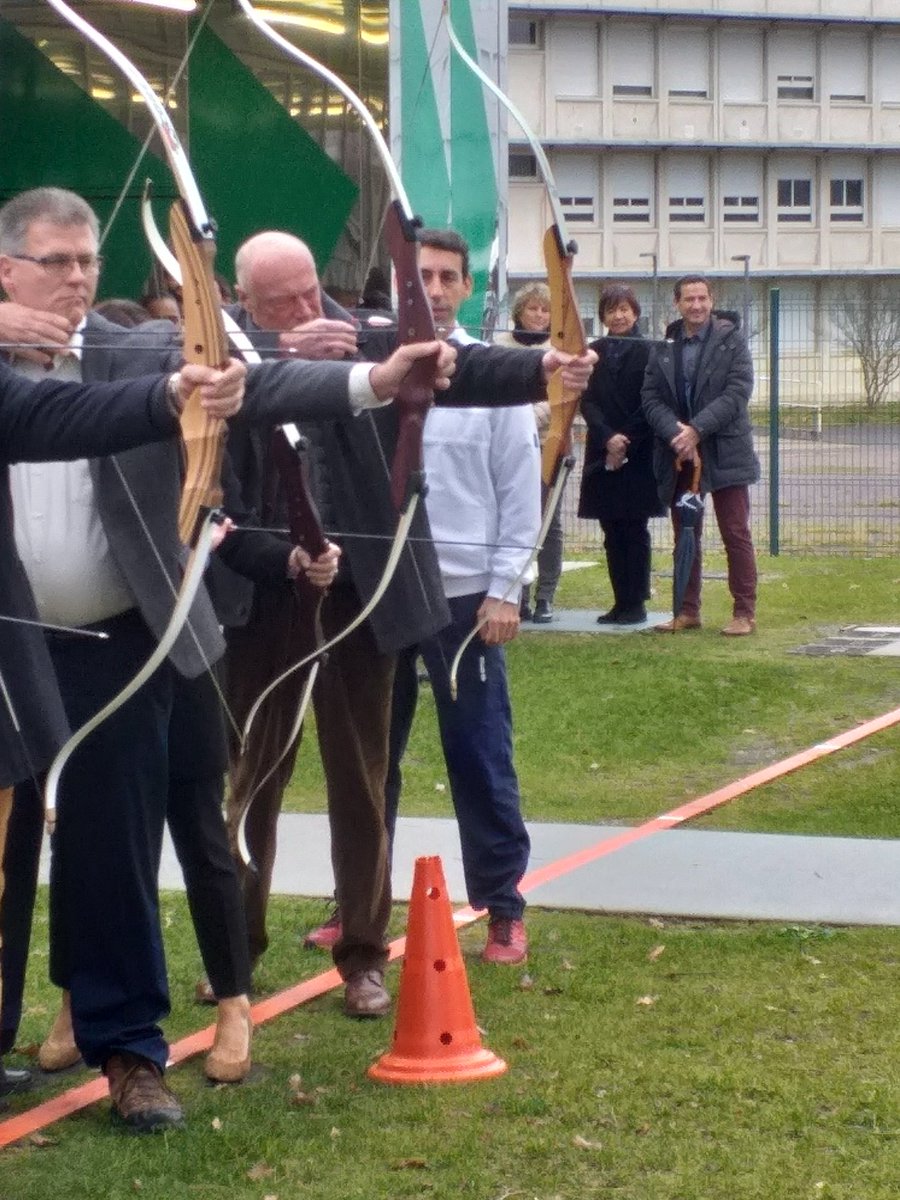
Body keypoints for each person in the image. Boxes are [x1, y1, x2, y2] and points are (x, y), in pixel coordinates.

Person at [0, 187, 452, 1131]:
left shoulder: (130, 349)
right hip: (17, 638)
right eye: (57, 262)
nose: (79, 279)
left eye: (89, 261)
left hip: (120, 636)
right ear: (6, 269)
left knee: (116, 844)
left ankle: (129, 1051)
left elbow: (247, 380)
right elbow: (41, 412)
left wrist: (373, 380)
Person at [229, 231, 597, 1004]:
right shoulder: (231, 353)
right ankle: (235, 949)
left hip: (366, 589)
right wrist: (280, 358)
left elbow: (452, 368)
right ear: (244, 304)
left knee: (362, 775)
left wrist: (542, 366)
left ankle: (363, 953)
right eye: (280, 302)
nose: (303, 309)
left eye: (309, 291)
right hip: (268, 598)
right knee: (254, 774)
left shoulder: (367, 336)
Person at [383, 228, 542, 966]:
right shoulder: (369, 369)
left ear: (467, 285)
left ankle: (502, 905)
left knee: (478, 751)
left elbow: (519, 493)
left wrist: (507, 588)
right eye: (423, 277)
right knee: (366, 755)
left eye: (449, 277)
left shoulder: (494, 379)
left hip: (467, 596)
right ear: (399, 284)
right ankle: (356, 901)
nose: (436, 290)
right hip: (381, 592)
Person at [642, 274, 759, 636]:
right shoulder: (664, 346)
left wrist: (697, 430)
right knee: (685, 533)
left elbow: (737, 392)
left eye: (702, 298)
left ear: (711, 300)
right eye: (689, 299)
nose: (696, 305)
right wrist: (677, 433)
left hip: (726, 452)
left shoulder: (732, 341)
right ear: (677, 304)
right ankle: (686, 609)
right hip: (682, 456)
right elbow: (651, 397)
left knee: (735, 533)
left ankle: (744, 612)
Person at [578, 285, 664, 624]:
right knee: (611, 529)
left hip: (638, 452)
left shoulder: (651, 351)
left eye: (625, 308)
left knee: (634, 528)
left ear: (636, 312)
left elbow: (652, 399)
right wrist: (606, 437)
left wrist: (624, 440)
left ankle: (637, 601)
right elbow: (587, 400)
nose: (619, 315)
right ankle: (619, 601)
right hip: (602, 450)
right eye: (611, 310)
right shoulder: (592, 352)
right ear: (602, 316)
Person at [494, 282, 562, 624]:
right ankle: (514, 594)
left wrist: (527, 415)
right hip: (507, 445)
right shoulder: (499, 345)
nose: (539, 315)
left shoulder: (560, 348)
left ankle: (546, 596)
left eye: (546, 309)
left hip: (550, 442)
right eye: (533, 308)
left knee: (548, 522)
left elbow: (561, 396)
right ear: (519, 311)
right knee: (510, 518)